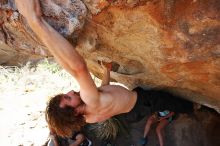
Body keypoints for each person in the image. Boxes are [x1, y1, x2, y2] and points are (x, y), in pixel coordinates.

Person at [15, 0, 194, 138]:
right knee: (171, 101)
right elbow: (77, 68)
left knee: (160, 106)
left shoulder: (89, 117)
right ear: (75, 111)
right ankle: (193, 107)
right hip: (144, 101)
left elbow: (103, 92)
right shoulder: (90, 100)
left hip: (131, 113)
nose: (70, 91)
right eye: (68, 98)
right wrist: (35, 21)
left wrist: (107, 72)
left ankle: (177, 110)